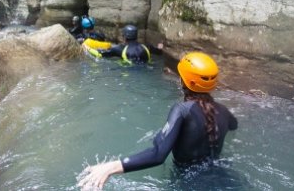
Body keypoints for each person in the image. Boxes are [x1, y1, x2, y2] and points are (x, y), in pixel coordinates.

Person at [77, 51, 238, 190]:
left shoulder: (181, 110)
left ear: (184, 82)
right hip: (222, 175)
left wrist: (110, 167)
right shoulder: (224, 111)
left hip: (188, 182)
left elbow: (158, 155)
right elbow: (233, 125)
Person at [86, 24, 162, 64]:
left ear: (124, 37)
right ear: (136, 36)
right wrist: (160, 47)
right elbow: (159, 51)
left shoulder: (119, 49)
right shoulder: (146, 47)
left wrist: (87, 48)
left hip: (129, 74)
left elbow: (99, 54)